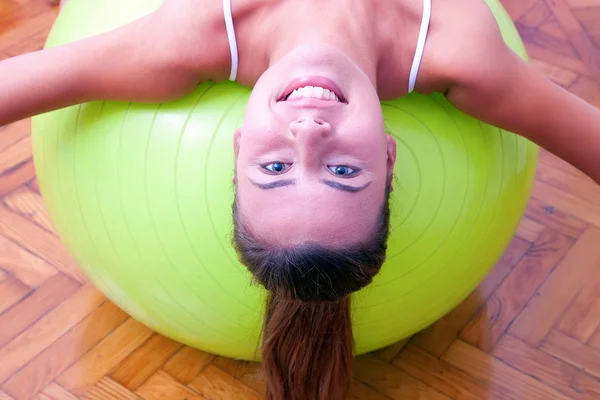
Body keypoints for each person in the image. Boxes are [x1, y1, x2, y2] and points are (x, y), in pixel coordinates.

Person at [1, 0, 599, 398]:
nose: (309, 134)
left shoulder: (185, 41)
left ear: (237, 148)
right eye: (342, 170)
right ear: (388, 158)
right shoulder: (464, 57)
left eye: (276, 166)